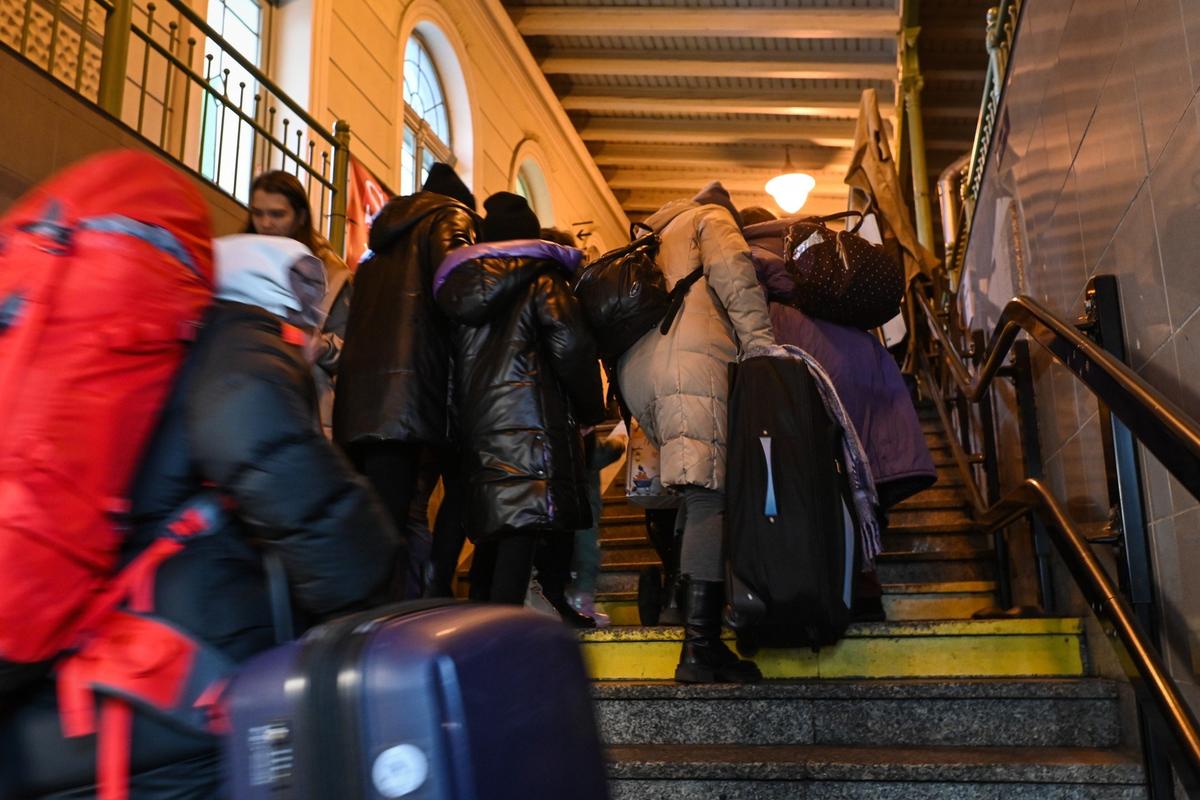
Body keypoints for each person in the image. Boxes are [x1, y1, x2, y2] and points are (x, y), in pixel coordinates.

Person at [0, 234, 399, 799]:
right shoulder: (240, 338)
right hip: (167, 698)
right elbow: (270, 446)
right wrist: (378, 590)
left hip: (80, 694)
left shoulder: (156, 344)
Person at [741, 207, 937, 620]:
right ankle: (865, 589)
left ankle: (821, 593)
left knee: (817, 485)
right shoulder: (809, 251)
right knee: (862, 476)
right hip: (862, 362)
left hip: (806, 363)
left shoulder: (746, 260)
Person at [617, 182, 775, 684]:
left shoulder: (651, 232)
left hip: (640, 372)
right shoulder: (710, 217)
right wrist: (762, 347)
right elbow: (734, 274)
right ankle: (700, 648)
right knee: (710, 495)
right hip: (691, 363)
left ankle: (691, 619)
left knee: (692, 494)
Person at [434, 192, 606, 609]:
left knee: (494, 530)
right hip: (532, 424)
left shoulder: (457, 289)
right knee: (522, 533)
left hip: (479, 429)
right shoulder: (543, 279)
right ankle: (506, 646)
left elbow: (449, 369)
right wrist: (589, 411)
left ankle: (483, 634)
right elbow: (572, 346)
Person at [333, 163, 478, 599]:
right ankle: (383, 623)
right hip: (410, 396)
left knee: (375, 521)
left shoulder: (378, 247)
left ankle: (361, 616)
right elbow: (464, 291)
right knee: (396, 523)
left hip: (363, 400)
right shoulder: (451, 218)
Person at [245, 170, 352, 438]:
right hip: (248, 393)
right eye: (258, 213)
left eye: (277, 214)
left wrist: (321, 345)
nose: (266, 223)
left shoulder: (334, 276)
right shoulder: (239, 260)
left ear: (301, 217)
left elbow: (351, 352)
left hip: (305, 403)